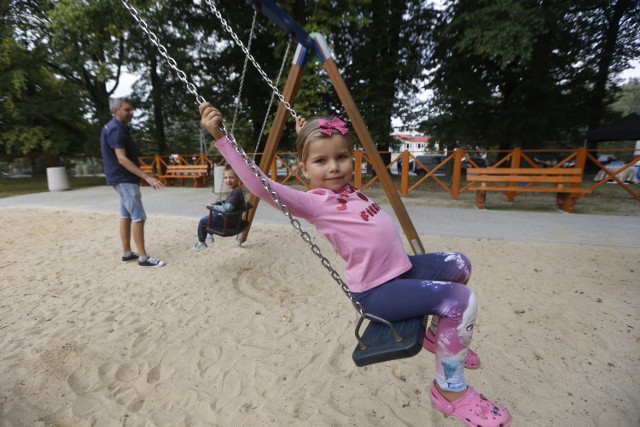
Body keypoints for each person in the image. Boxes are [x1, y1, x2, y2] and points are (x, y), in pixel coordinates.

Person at [199, 103, 511, 427]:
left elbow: (323, 152)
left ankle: (436, 337)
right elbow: (259, 185)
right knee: (461, 301)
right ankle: (450, 391)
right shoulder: (316, 204)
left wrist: (307, 136)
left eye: (341, 157)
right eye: (321, 161)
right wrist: (222, 138)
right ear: (305, 170)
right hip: (377, 292)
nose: (333, 167)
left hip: (401, 271)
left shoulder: (347, 190)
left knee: (459, 264)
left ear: (351, 158)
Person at [101, 97, 166, 268]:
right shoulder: (117, 130)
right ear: (116, 111)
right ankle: (143, 258)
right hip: (125, 180)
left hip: (120, 179)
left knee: (126, 215)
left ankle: (127, 253)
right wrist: (147, 177)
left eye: (131, 109)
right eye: (127, 110)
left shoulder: (112, 127)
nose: (131, 113)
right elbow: (121, 159)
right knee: (139, 217)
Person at [193, 164, 246, 251]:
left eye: (231, 177)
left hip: (229, 222)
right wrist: (217, 204)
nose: (228, 180)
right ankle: (209, 236)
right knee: (214, 213)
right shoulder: (236, 190)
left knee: (203, 221)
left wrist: (214, 206)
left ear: (238, 178)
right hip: (232, 219)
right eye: (225, 178)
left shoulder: (236, 193)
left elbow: (227, 209)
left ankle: (201, 243)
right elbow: (229, 204)